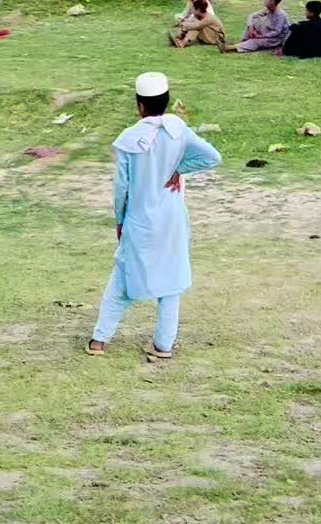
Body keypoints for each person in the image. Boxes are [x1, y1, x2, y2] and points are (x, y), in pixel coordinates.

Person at [88, 71, 222, 361]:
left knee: (122, 277)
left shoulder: (128, 140)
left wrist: (120, 220)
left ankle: (99, 340)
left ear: (140, 106)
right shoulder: (178, 130)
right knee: (171, 282)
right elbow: (213, 157)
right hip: (172, 220)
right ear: (167, 101)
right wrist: (179, 169)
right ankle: (163, 345)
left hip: (140, 219)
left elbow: (121, 189)